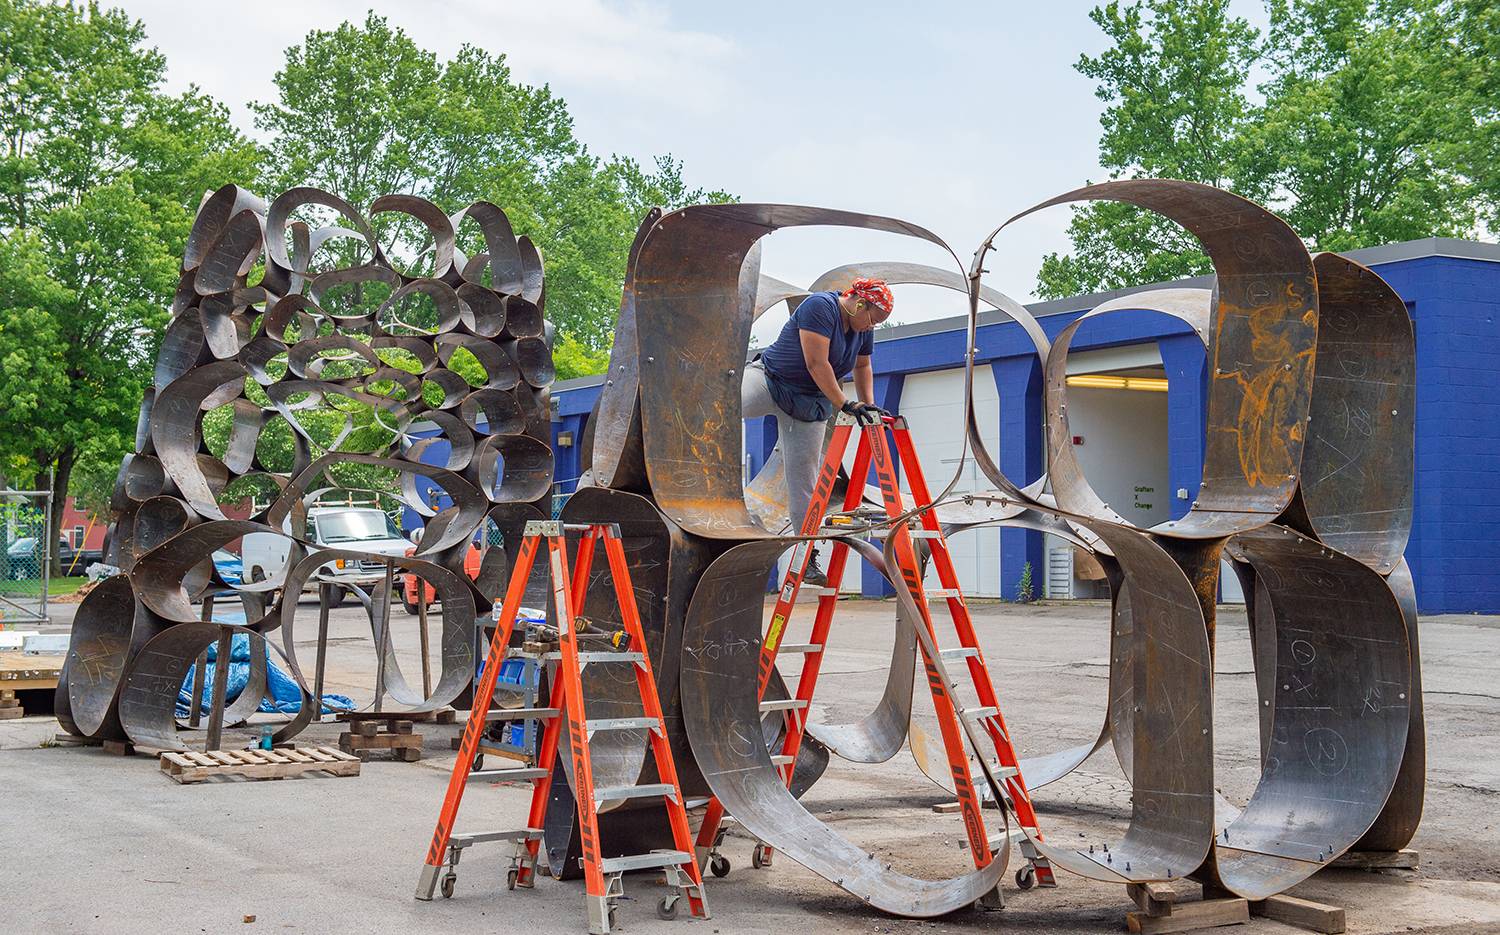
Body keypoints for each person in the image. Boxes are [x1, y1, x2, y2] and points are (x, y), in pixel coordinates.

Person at [742, 278, 893, 584]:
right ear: (860, 303)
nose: (871, 327)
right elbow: (816, 363)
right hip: (770, 381)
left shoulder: (863, 329)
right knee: (723, 401)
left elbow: (863, 367)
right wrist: (846, 404)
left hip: (808, 404)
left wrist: (869, 405)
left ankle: (806, 555)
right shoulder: (820, 307)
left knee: (804, 481)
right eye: (873, 319)